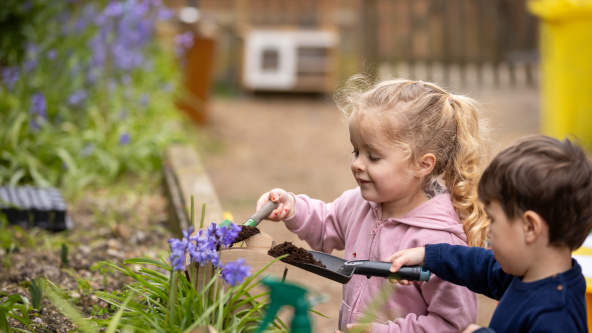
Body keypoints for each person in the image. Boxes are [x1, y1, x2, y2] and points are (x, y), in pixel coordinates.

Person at [256, 77, 491, 332]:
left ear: (422, 165)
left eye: (374, 156)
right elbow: (326, 222)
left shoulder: (440, 242)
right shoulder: (360, 203)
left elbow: (454, 324)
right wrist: (292, 207)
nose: (358, 164)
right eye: (356, 151)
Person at [388, 135, 592, 333]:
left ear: (530, 227)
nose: (488, 229)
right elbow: (481, 265)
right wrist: (428, 256)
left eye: (493, 219)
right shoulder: (525, 273)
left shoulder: (556, 315)